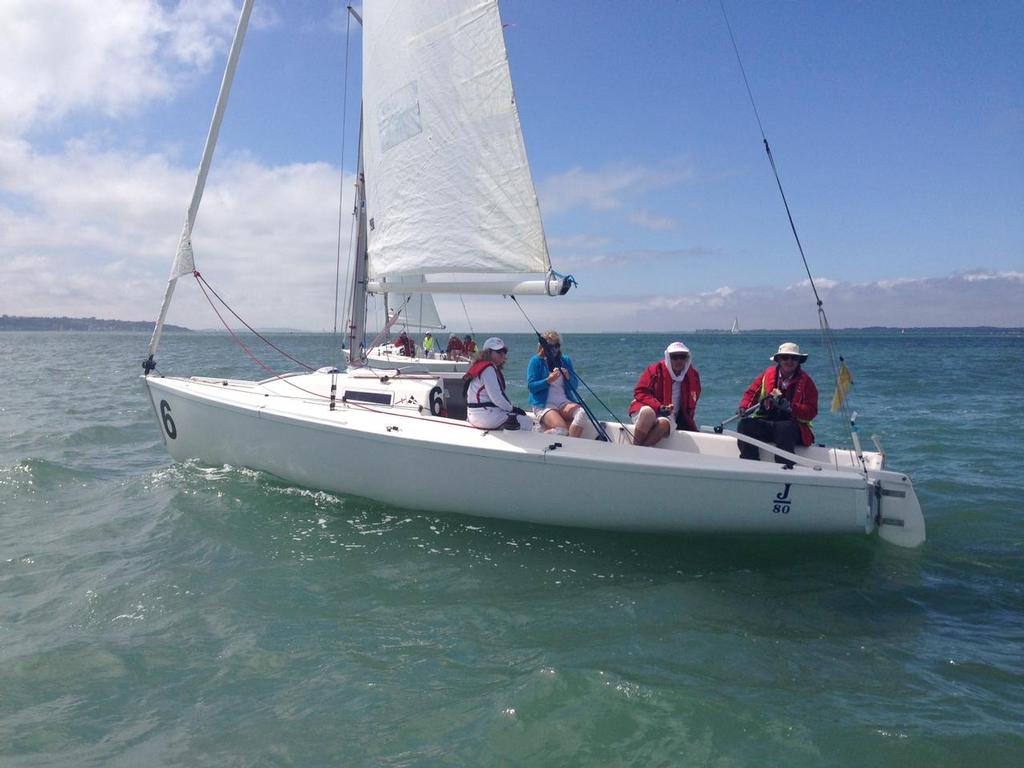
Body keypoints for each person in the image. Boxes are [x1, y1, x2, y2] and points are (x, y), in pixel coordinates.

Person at [736, 342, 818, 466]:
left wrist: (792, 407)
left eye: (794, 358)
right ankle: (750, 465)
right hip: (767, 421)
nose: (789, 361)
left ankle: (785, 468)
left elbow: (812, 411)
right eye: (785, 357)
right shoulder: (766, 375)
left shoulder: (807, 382)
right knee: (745, 425)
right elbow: (752, 393)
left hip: (793, 426)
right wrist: (744, 407)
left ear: (799, 361)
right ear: (779, 360)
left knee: (785, 429)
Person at [627, 341, 701, 446]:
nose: (679, 360)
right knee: (648, 413)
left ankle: (641, 450)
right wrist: (659, 407)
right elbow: (640, 391)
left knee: (664, 424)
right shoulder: (654, 371)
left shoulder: (693, 376)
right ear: (668, 357)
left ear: (687, 358)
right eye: (674, 357)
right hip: (647, 407)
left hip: (669, 416)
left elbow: (694, 398)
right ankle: (635, 448)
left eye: (682, 357)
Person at [527, 330, 586, 437]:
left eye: (557, 346)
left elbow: (574, 385)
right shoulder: (536, 361)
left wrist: (568, 378)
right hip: (544, 404)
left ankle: (570, 447)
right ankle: (539, 435)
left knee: (581, 413)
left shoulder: (565, 360)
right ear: (543, 347)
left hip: (563, 402)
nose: (554, 349)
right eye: (550, 346)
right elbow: (531, 387)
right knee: (562, 430)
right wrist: (547, 381)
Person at [463, 338, 530, 430]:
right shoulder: (488, 369)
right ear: (488, 352)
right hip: (484, 416)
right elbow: (496, 398)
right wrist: (512, 409)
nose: (503, 355)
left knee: (518, 418)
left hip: (475, 414)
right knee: (527, 422)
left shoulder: (482, 366)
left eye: (504, 352)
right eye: (499, 352)